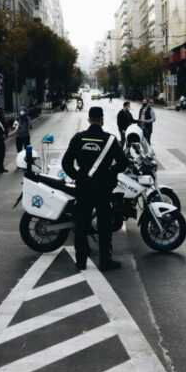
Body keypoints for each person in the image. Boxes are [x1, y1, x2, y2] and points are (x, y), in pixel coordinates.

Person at [62, 106, 127, 272]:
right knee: (104, 226)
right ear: (102, 120)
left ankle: (81, 262)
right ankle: (105, 262)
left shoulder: (78, 138)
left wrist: (77, 176)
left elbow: (66, 163)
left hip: (83, 187)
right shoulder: (110, 140)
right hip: (104, 188)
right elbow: (123, 164)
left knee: (81, 225)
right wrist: (110, 172)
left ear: (89, 119)